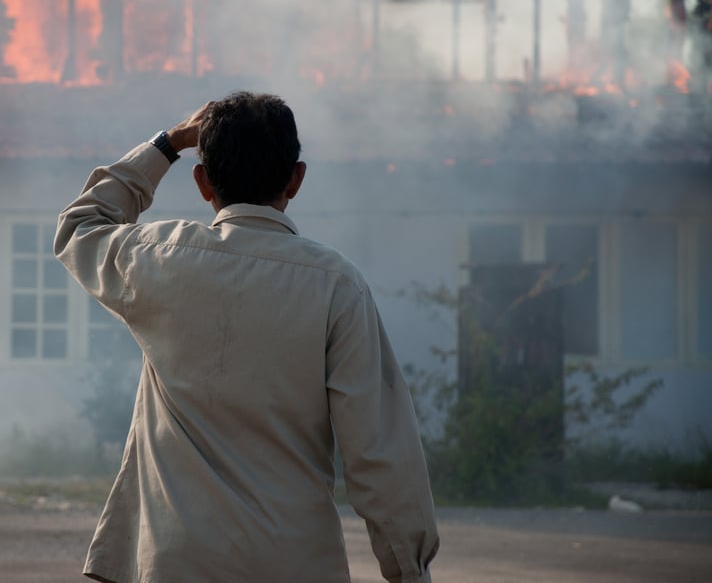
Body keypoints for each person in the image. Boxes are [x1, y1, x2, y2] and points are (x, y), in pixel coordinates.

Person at [55, 92, 439, 583]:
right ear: (296, 179)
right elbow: (380, 448)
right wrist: (409, 570)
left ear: (202, 182)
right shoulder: (336, 285)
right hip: (297, 562)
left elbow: (80, 225)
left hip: (175, 561)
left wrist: (168, 143)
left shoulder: (158, 259)